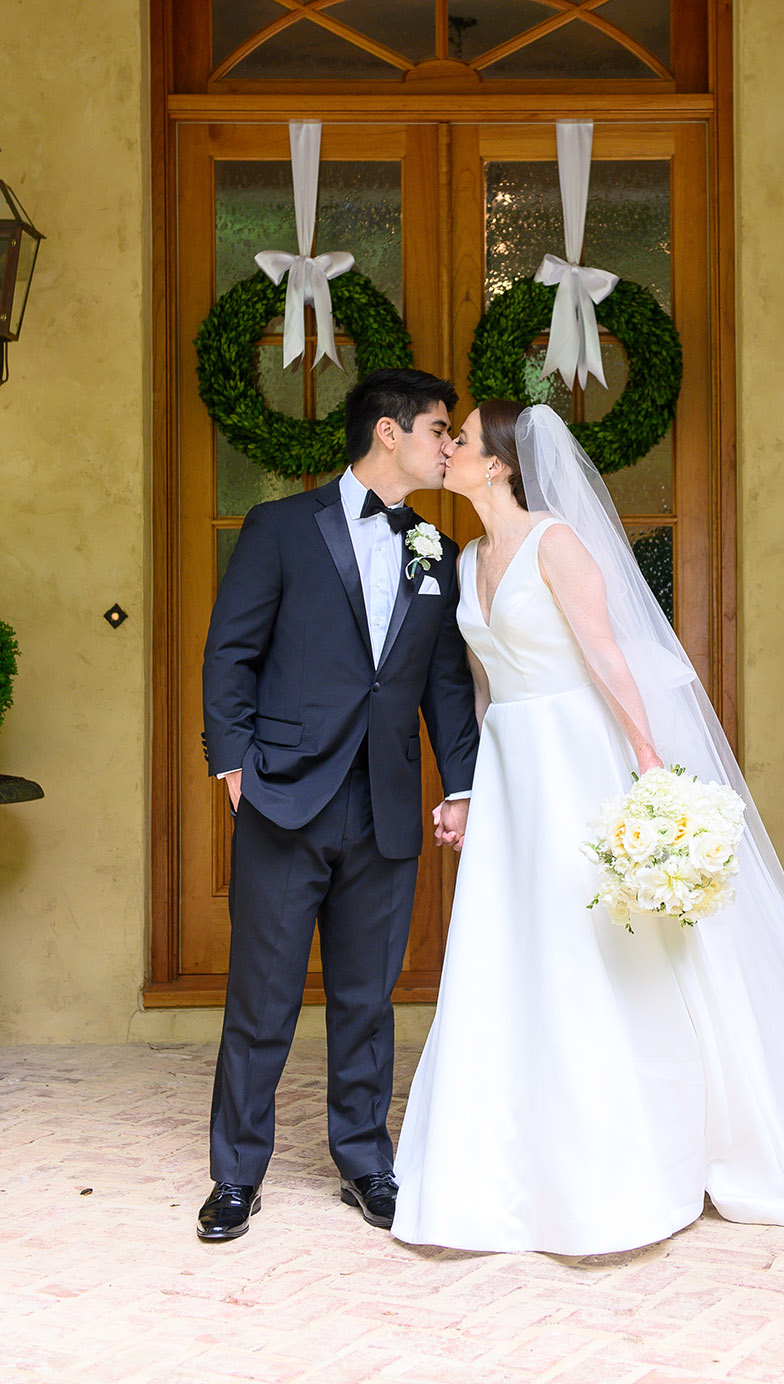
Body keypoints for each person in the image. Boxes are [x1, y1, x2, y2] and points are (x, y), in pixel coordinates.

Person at [392, 399, 784, 1256]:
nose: (447, 449)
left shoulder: (555, 543)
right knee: (515, 942)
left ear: (497, 464)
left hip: (577, 756)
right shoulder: (465, 558)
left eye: (459, 440)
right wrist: (474, 790)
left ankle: (630, 1152)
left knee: (594, 940)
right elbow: (484, 684)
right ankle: (511, 1154)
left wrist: (646, 756)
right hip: (513, 765)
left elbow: (606, 653)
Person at [198, 368, 479, 1242]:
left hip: (385, 802)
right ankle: (236, 1174)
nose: (449, 445)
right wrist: (233, 764)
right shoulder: (281, 526)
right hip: (285, 795)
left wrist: (461, 785)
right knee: (262, 998)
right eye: (439, 429)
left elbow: (442, 683)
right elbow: (230, 651)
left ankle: (365, 1162)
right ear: (389, 432)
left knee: (367, 999)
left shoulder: (435, 549)